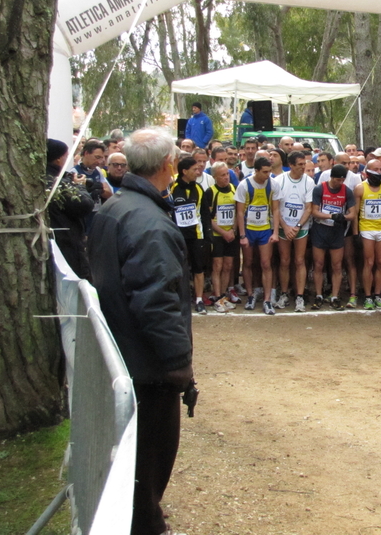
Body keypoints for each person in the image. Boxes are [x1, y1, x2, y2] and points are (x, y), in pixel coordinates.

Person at [88, 128, 193, 535]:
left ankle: (142, 515)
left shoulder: (115, 206)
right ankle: (144, 523)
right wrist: (177, 364)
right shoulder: (148, 222)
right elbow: (156, 300)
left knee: (139, 454)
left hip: (124, 351)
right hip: (146, 365)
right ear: (169, 164)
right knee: (150, 453)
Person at [236, 156, 280, 314]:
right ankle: (250, 295)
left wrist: (275, 232)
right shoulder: (244, 185)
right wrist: (242, 235)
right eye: (265, 172)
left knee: (266, 263)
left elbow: (275, 209)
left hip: (265, 229)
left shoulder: (273, 184)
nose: (268, 175)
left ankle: (267, 299)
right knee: (248, 262)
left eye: (269, 171)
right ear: (256, 171)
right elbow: (240, 212)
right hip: (249, 229)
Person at [310, 164, 357, 310]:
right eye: (337, 180)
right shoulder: (320, 189)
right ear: (332, 177)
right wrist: (331, 215)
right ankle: (318, 295)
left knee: (337, 265)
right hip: (320, 230)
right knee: (318, 264)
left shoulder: (347, 191)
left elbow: (352, 214)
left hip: (336, 231)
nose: (340, 183)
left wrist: (343, 217)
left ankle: (335, 296)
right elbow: (314, 211)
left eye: (342, 180)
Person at [46, 139, 93, 279]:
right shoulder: (56, 182)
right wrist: (79, 187)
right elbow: (84, 205)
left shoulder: (46, 178)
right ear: (59, 158)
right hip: (66, 242)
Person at [273, 151, 314, 312]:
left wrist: (297, 226)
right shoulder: (279, 181)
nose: (303, 167)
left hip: (300, 227)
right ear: (291, 165)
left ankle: (300, 296)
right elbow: (275, 208)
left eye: (304, 164)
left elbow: (309, 207)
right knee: (284, 260)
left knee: (299, 260)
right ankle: (284, 293)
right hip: (284, 226)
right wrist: (285, 226)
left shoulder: (309, 182)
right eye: (300, 165)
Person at [171, 157, 212, 315]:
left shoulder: (199, 189)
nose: (198, 171)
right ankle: (180, 299)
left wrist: (207, 235)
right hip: (178, 235)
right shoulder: (172, 187)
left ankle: (199, 299)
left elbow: (204, 213)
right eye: (194, 169)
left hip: (196, 234)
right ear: (184, 171)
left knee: (198, 268)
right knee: (179, 268)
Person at [353, 159, 381, 310]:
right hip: (367, 229)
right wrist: (355, 232)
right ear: (367, 171)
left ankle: (378, 294)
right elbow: (355, 212)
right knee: (369, 262)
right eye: (375, 169)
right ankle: (368, 296)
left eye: (380, 169)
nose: (379, 172)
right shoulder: (360, 188)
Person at [205, 162, 239, 313]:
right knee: (217, 266)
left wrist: (232, 230)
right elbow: (208, 218)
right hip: (217, 235)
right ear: (215, 177)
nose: (226, 178)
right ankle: (217, 297)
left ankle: (224, 296)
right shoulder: (211, 192)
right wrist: (223, 232)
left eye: (227, 174)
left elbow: (239, 212)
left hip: (231, 234)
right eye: (222, 175)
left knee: (228, 266)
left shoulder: (233, 189)